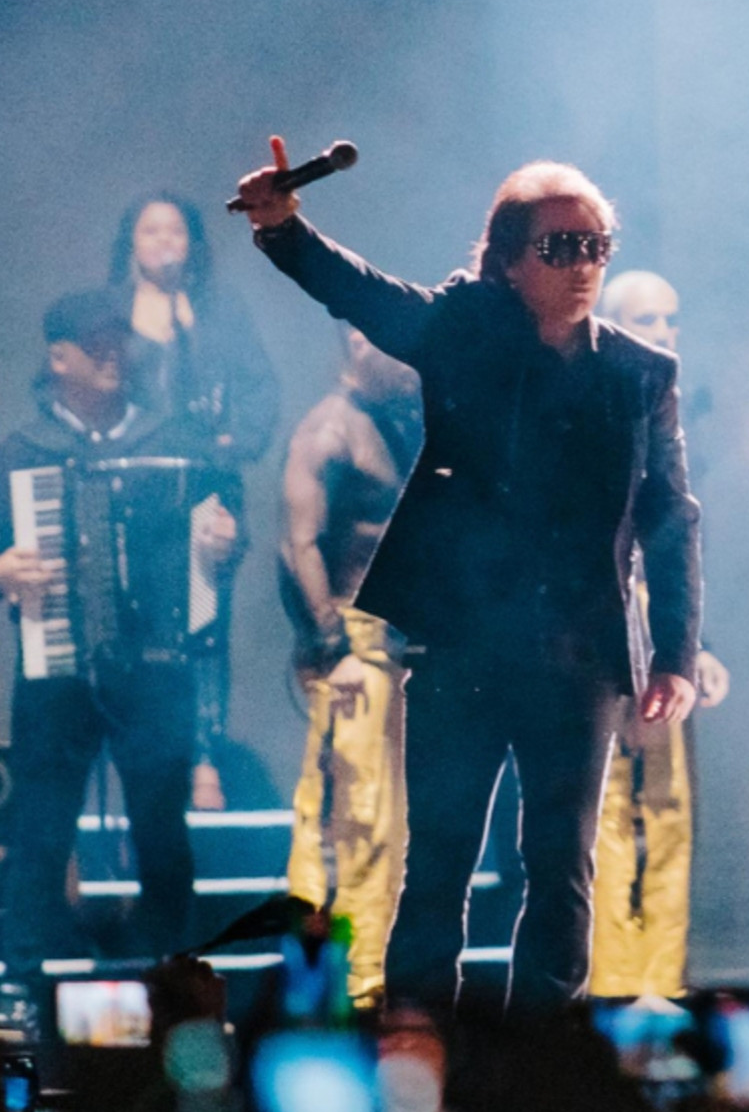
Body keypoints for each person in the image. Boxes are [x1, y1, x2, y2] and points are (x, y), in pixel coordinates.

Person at [234, 148, 700, 1015]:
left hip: (580, 654)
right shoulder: (464, 331)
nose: (585, 265)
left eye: (596, 245)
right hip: (465, 647)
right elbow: (367, 295)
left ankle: (543, 1062)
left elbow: (670, 513)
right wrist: (282, 230)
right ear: (510, 260)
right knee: (439, 858)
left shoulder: (641, 374)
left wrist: (671, 651)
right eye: (561, 247)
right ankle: (421, 1051)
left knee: (561, 863)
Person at [0, 291, 238, 977]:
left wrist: (222, 541)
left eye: (119, 341)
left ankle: (174, 979)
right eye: (96, 344)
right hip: (58, 671)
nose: (114, 354)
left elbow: (226, 522)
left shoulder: (175, 442)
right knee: (40, 833)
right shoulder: (20, 451)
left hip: (156, 666)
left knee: (163, 832)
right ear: (59, 358)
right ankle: (23, 983)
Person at [108, 191, 282, 810]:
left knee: (204, 621)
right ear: (130, 242)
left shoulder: (215, 311)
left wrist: (238, 444)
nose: (163, 242)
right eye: (150, 230)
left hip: (205, 489)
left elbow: (262, 387)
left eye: (175, 232)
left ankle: (204, 758)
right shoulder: (109, 311)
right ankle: (137, 764)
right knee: (130, 627)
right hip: (126, 494)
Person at [591, 263, 722, 1002]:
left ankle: (660, 977)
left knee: (668, 805)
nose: (665, 336)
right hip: (602, 626)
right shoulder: (590, 406)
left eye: (671, 321)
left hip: (661, 629)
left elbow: (681, 543)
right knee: (607, 801)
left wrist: (695, 645)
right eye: (648, 321)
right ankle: (612, 975)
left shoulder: (671, 413)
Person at [278, 326, 419, 1004]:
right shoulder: (326, 431)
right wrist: (331, 642)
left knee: (381, 820)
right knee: (349, 817)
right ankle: (341, 985)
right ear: (358, 344)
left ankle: (368, 974)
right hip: (354, 643)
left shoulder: (394, 425)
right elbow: (298, 543)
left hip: (392, 642)